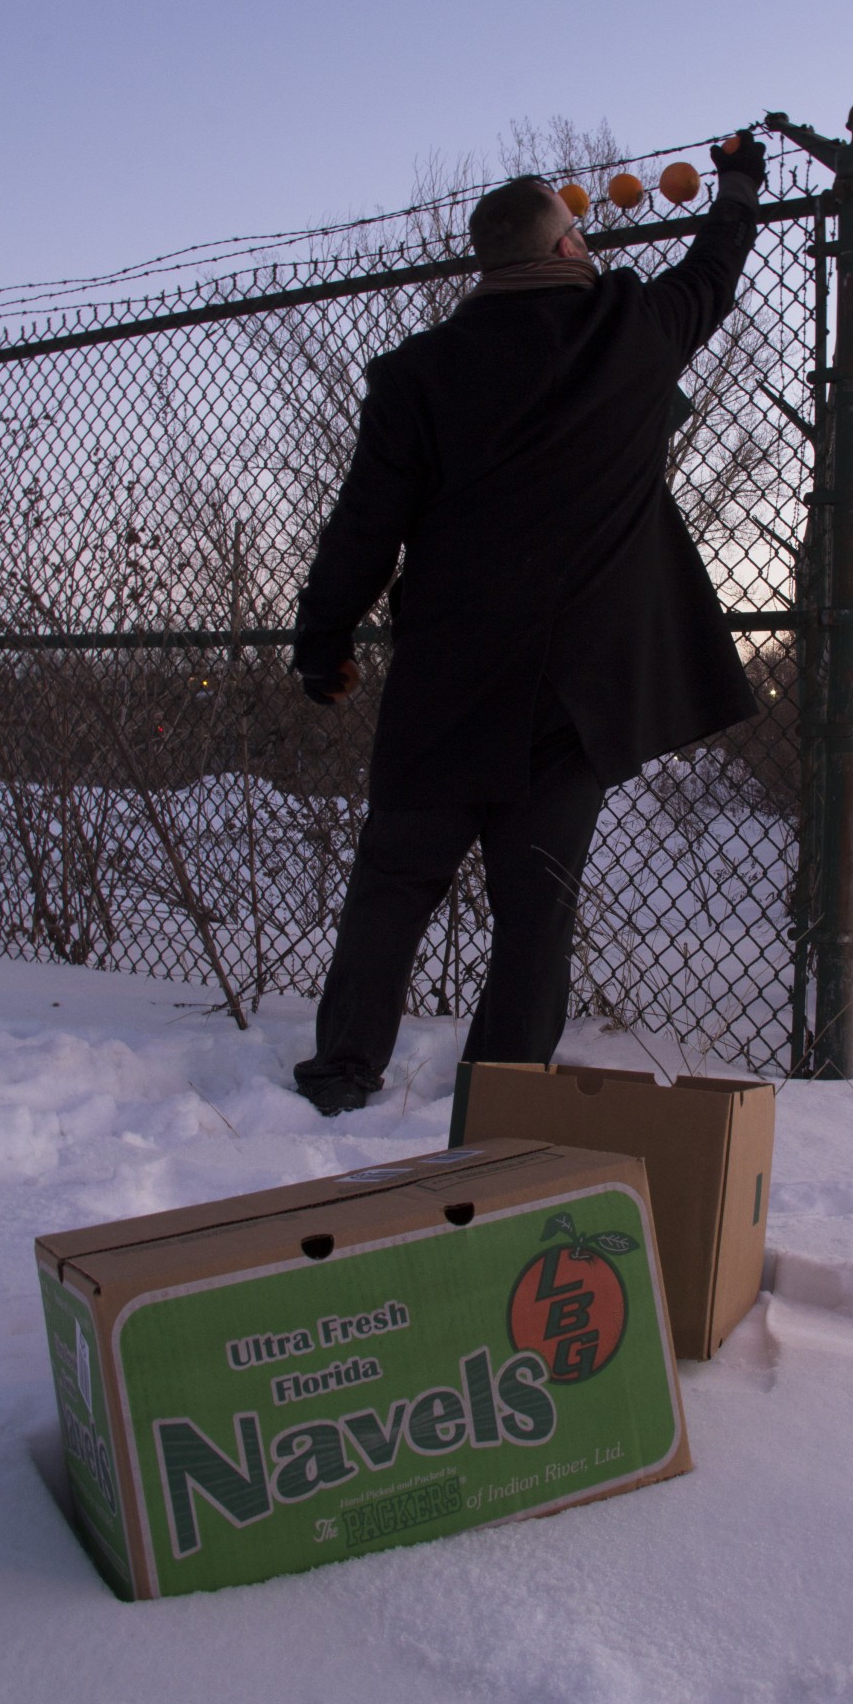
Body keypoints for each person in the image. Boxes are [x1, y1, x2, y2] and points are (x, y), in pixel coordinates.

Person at [290, 131, 766, 1116]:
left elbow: (364, 528)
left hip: (448, 684)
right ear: (561, 251)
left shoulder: (416, 375)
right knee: (534, 908)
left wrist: (323, 644)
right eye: (576, 236)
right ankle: (503, 1092)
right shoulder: (628, 332)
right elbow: (713, 274)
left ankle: (341, 1074)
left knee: (393, 884)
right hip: (572, 697)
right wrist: (738, 183)